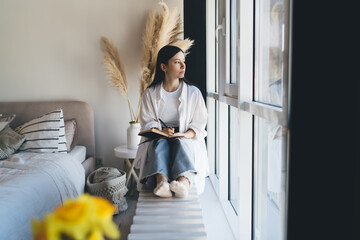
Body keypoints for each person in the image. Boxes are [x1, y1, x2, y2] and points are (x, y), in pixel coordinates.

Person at [134, 45, 209, 198]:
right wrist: (161, 132)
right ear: (164, 66)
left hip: (185, 136)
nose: (183, 66)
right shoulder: (150, 93)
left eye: (183, 61)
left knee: (181, 144)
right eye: (177, 62)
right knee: (159, 143)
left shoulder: (193, 93)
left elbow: (200, 122)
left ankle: (183, 183)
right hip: (160, 135)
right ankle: (162, 182)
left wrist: (185, 134)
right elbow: (147, 121)